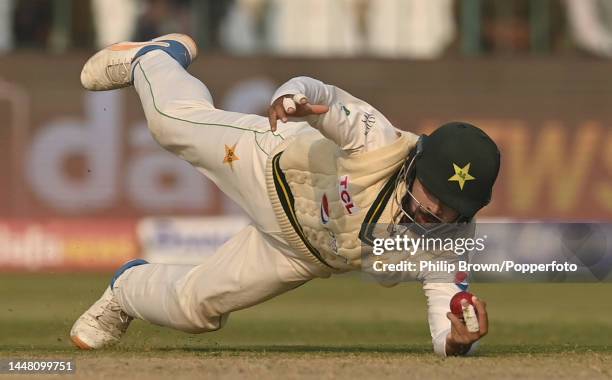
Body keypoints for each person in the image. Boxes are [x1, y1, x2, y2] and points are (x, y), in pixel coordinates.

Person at [71, 33, 500, 356]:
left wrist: (458, 342)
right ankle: (157, 57)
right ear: (415, 166)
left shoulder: (451, 234)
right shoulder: (378, 141)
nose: (438, 213)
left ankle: (124, 289)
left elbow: (446, 321)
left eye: (453, 208)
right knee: (170, 124)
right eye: (435, 196)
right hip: (268, 166)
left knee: (193, 311)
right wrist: (292, 98)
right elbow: (320, 93)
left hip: (300, 253)